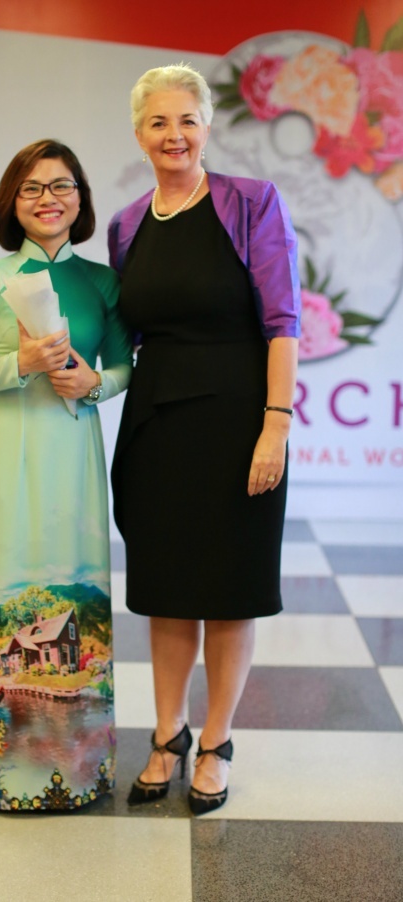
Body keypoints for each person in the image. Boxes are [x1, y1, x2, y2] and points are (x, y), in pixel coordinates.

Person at [108, 64, 300, 815]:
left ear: (207, 126)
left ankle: (216, 740)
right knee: (166, 593)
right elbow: (126, 335)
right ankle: (168, 733)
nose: (174, 135)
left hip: (237, 420)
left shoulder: (251, 204)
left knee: (227, 591)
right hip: (157, 424)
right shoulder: (127, 224)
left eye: (187, 119)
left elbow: (283, 324)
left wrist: (274, 427)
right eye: (158, 122)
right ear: (139, 133)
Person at [0, 139, 132, 812]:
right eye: (32, 188)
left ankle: (85, 772)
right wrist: (19, 362)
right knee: (7, 581)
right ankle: (8, 776)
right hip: (9, 451)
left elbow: (124, 367)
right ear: (11, 203)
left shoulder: (104, 281)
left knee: (78, 580)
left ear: (81, 198)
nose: (48, 198)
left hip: (76, 447)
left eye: (62, 185)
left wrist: (95, 383)